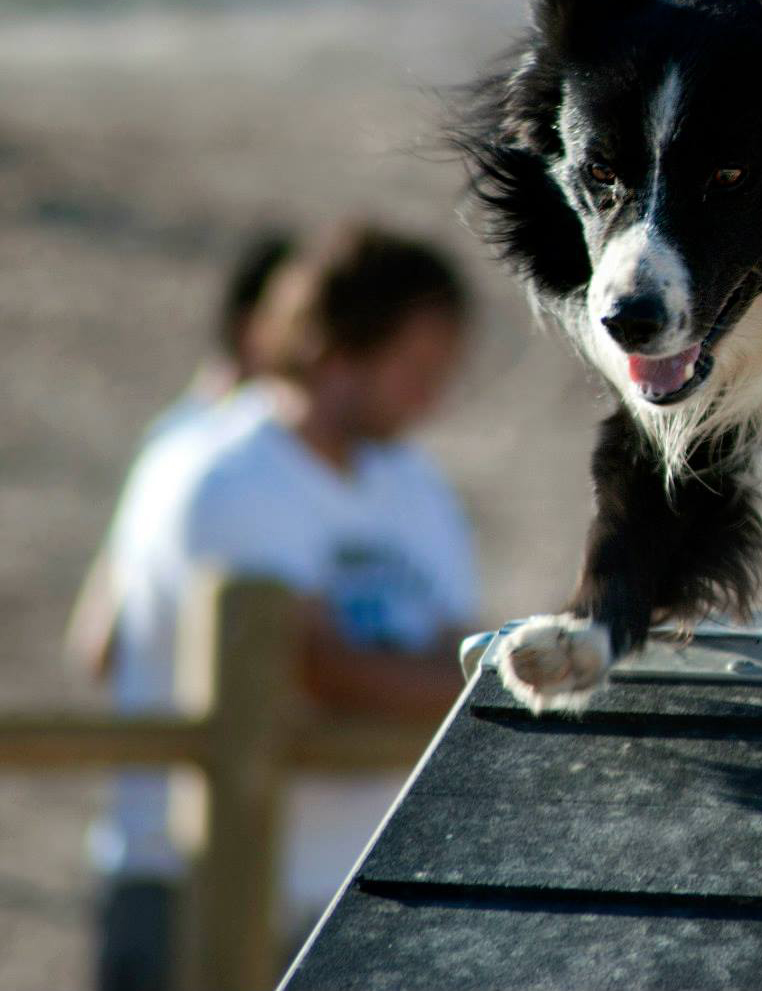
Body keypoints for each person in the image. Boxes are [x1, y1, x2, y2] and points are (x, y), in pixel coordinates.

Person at [89, 223, 481, 991]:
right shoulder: (220, 470)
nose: (434, 394)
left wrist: (466, 680)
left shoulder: (414, 485)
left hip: (354, 895)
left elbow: (460, 640)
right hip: (197, 892)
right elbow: (310, 669)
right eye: (418, 365)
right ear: (344, 345)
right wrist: (484, 696)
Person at [65, 230, 294, 682]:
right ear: (256, 327)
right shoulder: (197, 448)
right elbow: (99, 640)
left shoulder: (178, 432)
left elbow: (96, 647)